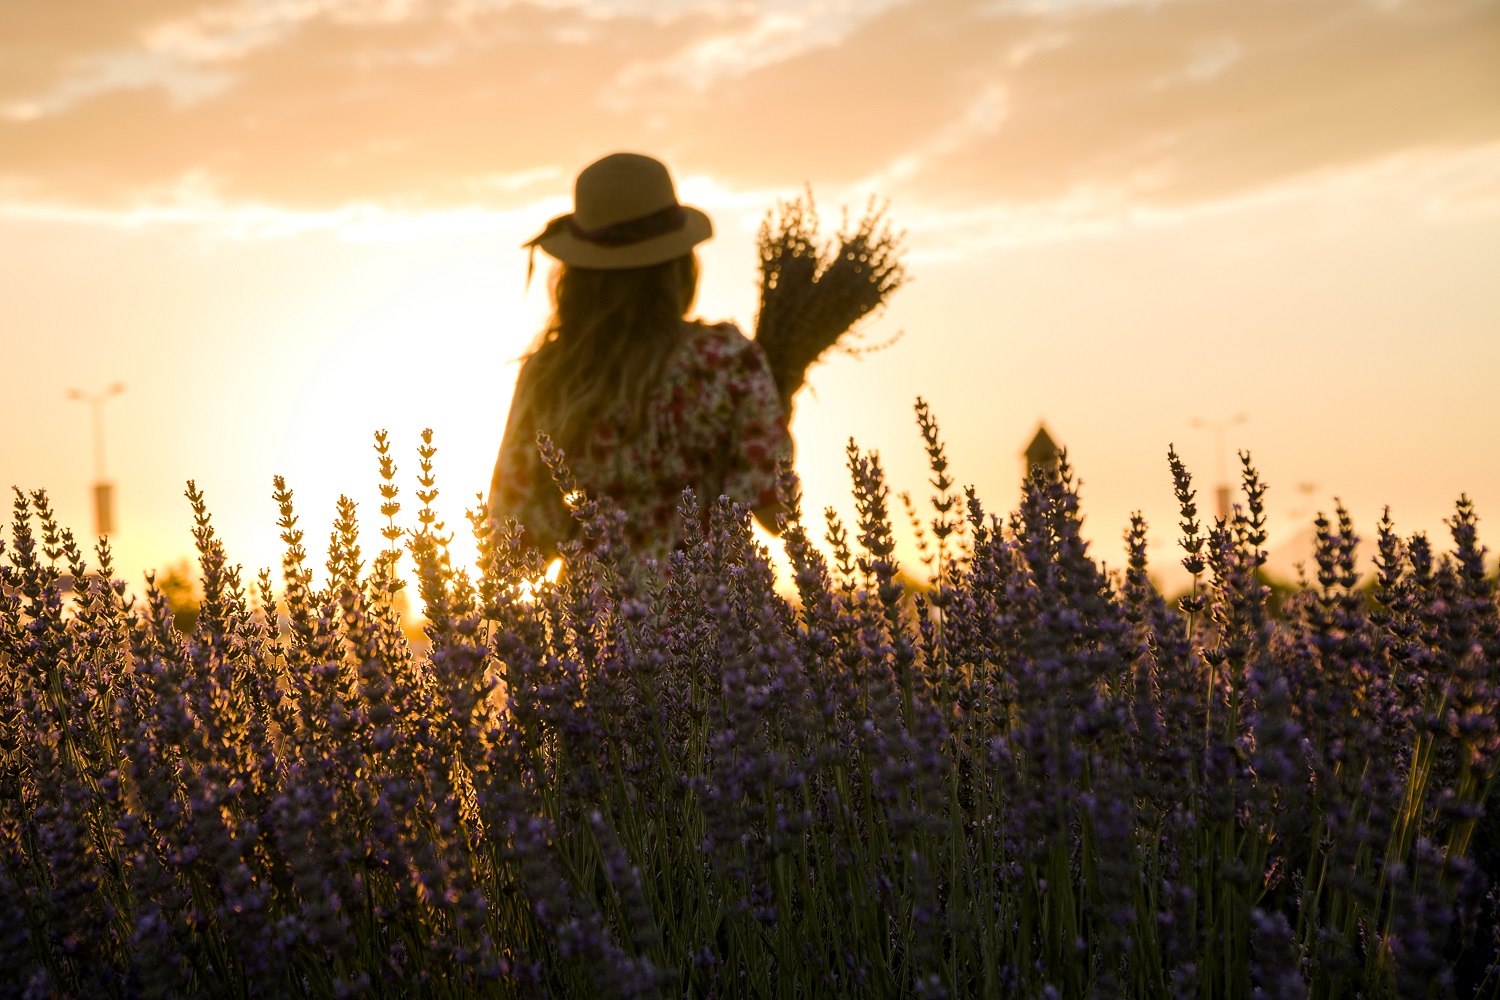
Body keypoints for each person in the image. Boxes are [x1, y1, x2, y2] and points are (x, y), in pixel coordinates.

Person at [488, 152, 792, 562]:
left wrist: (587, 527)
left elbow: (515, 534)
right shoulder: (729, 361)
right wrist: (779, 406)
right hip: (719, 611)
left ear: (577, 275)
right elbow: (776, 509)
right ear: (679, 266)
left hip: (598, 617)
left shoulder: (550, 375)